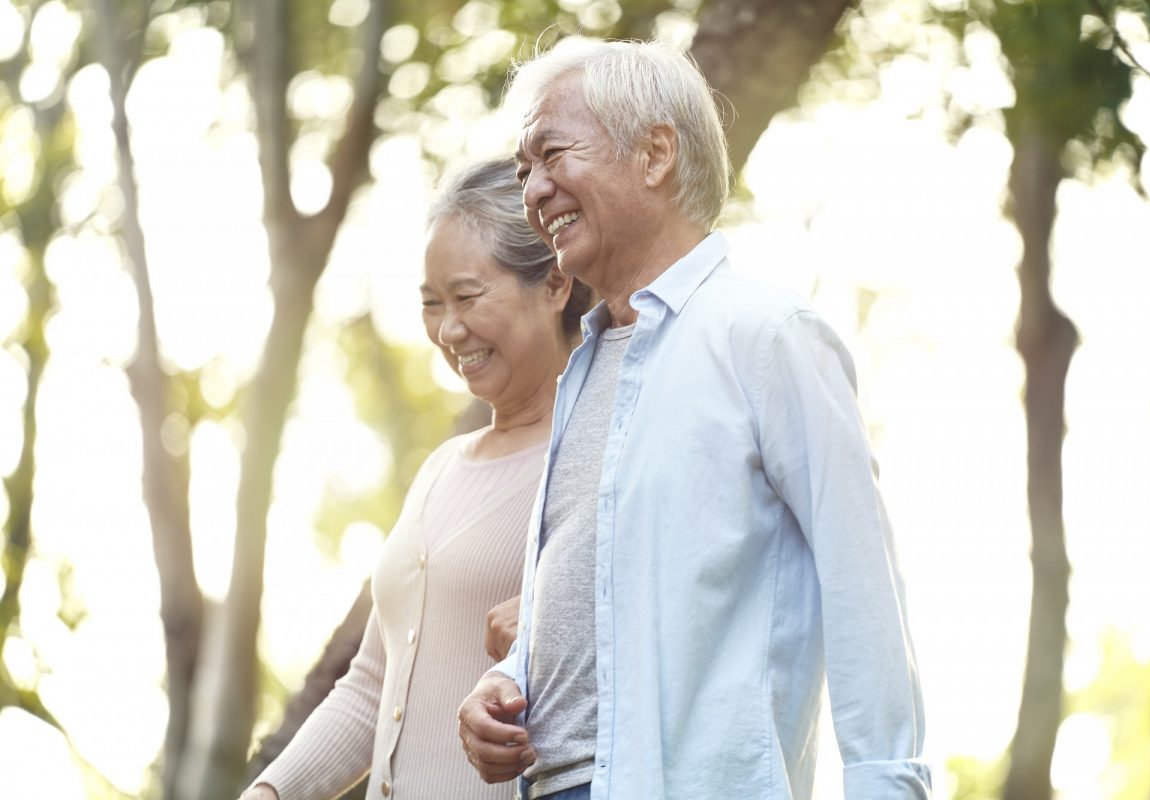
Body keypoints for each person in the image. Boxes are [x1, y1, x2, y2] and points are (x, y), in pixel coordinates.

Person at [457, 38, 931, 799]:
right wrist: (508, 680)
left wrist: (886, 787)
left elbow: (862, 584)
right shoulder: (582, 367)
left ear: (654, 154)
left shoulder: (766, 334)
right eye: (523, 173)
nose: (534, 192)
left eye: (551, 156)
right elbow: (607, 596)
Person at [239, 158, 590, 800]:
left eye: (467, 296)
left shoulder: (589, 464)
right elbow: (373, 683)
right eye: (432, 304)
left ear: (556, 283)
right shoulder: (440, 470)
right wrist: (271, 792)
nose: (449, 330)